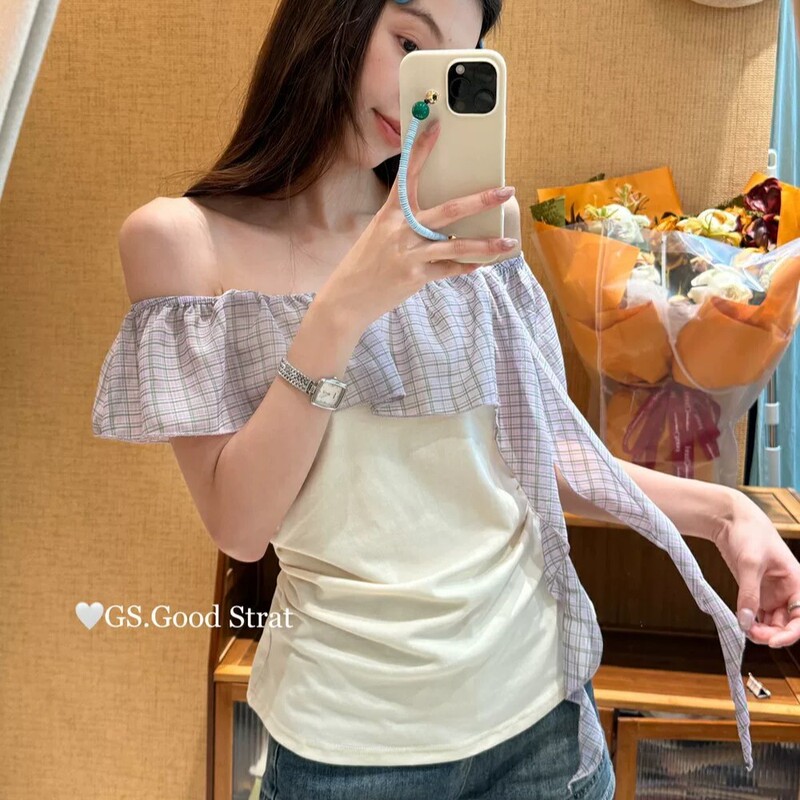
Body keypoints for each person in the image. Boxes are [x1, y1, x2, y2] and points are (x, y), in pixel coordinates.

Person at [94, 0, 800, 797]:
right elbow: (240, 526)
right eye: (409, 43)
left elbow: (544, 458)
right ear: (328, 18)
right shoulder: (179, 242)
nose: (420, 101)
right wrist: (342, 307)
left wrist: (729, 516)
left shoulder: (475, 230)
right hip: (347, 750)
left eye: (455, 66)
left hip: (544, 721)